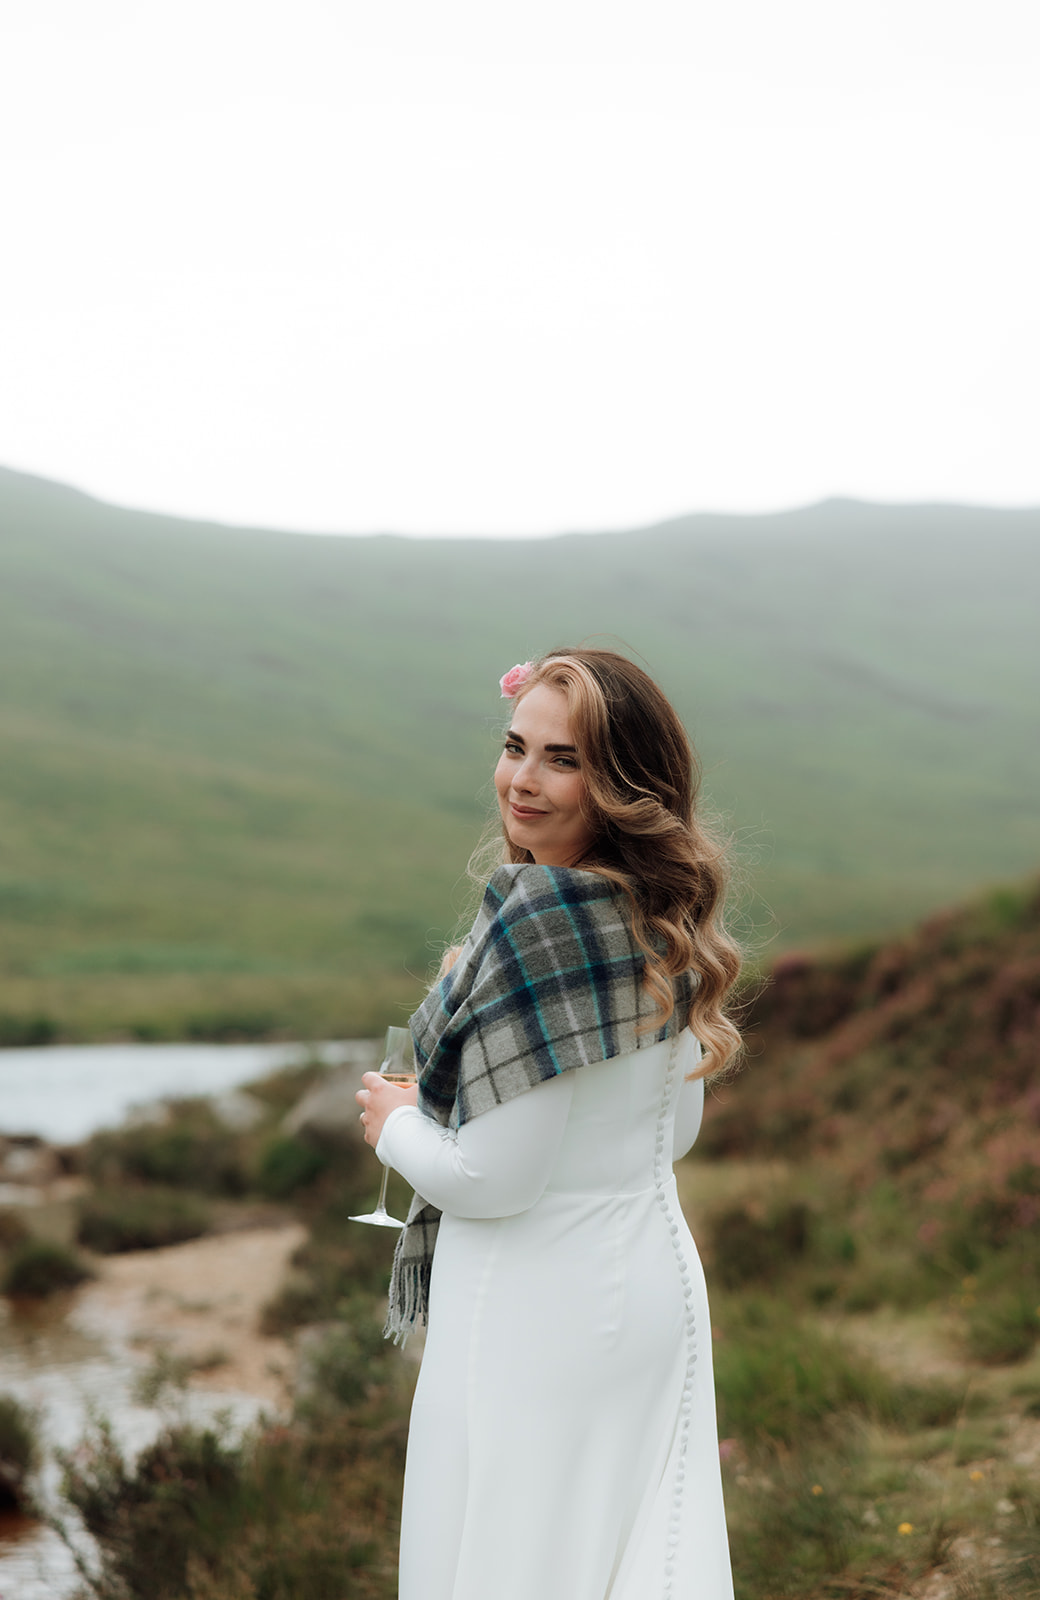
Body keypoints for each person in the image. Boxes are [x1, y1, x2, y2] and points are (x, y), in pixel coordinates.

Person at [356, 647, 741, 1600]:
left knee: (505, 1563)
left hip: (536, 1310)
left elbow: (494, 1181)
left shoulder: (540, 926)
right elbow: (672, 1132)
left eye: (562, 758)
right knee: (628, 1557)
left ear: (621, 784)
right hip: (651, 1292)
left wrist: (393, 1123)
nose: (522, 780)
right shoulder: (658, 919)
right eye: (514, 746)